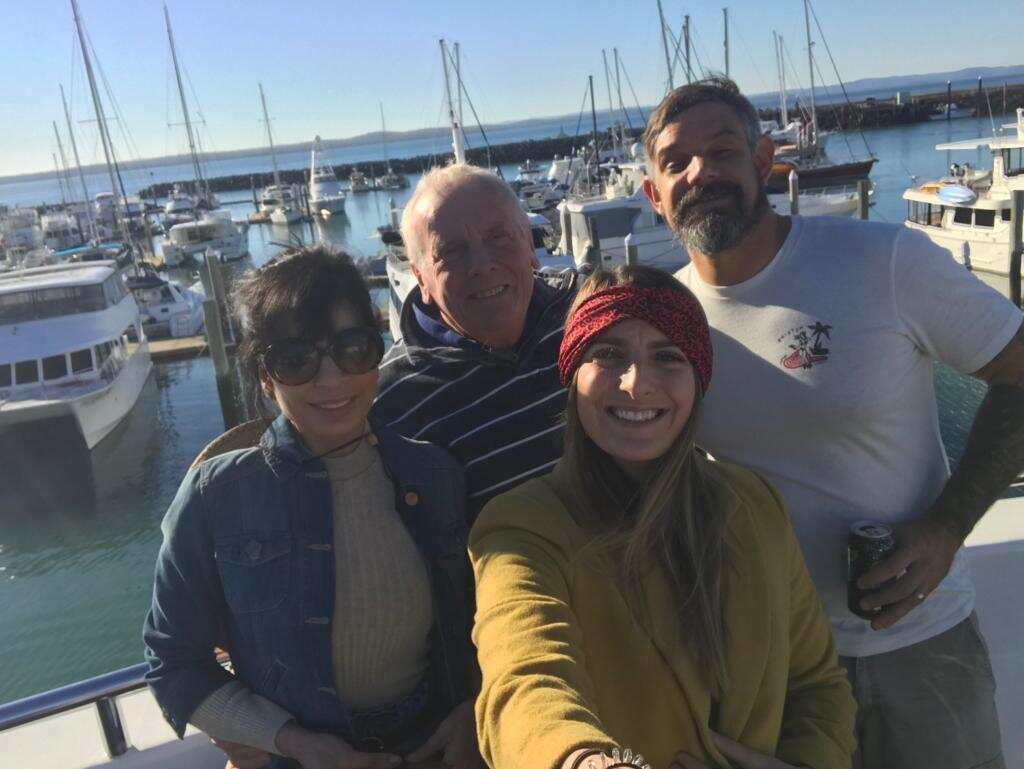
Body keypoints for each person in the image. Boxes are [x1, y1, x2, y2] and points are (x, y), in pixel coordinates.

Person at [640, 77, 1024, 768]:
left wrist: (946, 527)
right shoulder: (665, 323)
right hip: (770, 666)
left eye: (722, 150)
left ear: (764, 163)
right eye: (676, 161)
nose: (700, 172)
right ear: (654, 194)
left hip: (919, 647)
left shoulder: (882, 260)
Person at [469, 265, 856, 769]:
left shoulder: (754, 504)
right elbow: (524, 681)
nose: (636, 384)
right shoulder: (521, 529)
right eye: (607, 355)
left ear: (697, 379)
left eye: (667, 357)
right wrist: (580, 760)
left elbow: (817, 682)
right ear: (571, 372)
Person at [143, 247, 480, 769]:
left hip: (433, 747)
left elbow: (485, 622)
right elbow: (172, 662)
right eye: (296, 360)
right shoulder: (215, 497)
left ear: (378, 351)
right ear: (263, 375)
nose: (331, 380)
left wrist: (472, 710)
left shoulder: (436, 476)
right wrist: (291, 741)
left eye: (352, 349)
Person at [372, 164, 576, 521]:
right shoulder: (392, 402)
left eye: (499, 237)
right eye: (451, 251)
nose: (481, 264)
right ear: (420, 277)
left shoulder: (590, 315)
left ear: (529, 243)